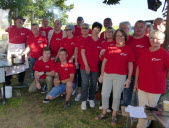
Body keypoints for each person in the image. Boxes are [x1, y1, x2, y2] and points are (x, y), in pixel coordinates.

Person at [96, 29, 135, 125]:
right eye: (117, 35)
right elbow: (104, 62)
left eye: (122, 35)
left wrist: (129, 79)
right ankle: (104, 112)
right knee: (104, 94)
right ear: (115, 37)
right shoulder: (110, 47)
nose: (120, 37)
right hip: (108, 75)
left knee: (116, 96)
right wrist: (101, 75)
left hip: (121, 76)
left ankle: (114, 115)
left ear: (125, 37)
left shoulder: (128, 49)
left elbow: (130, 65)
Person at [134, 30, 169, 128]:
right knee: (142, 109)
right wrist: (136, 82)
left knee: (149, 111)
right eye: (152, 38)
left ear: (162, 41)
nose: (154, 40)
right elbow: (138, 67)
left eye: (158, 39)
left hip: (155, 88)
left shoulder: (164, 54)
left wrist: (162, 78)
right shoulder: (144, 51)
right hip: (142, 86)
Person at [124, 20, 151, 106]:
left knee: (139, 94)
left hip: (142, 72)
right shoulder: (128, 39)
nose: (138, 29)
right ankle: (126, 110)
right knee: (127, 92)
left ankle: (136, 112)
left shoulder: (148, 41)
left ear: (145, 29)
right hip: (128, 71)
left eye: (141, 27)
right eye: (136, 26)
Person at [80, 22, 102, 110]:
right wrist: (86, 65)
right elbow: (82, 52)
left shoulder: (101, 41)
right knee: (85, 83)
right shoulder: (87, 39)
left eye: (98, 30)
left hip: (95, 67)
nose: (96, 31)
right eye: (95, 29)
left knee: (93, 84)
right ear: (91, 30)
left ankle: (91, 98)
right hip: (85, 66)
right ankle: (84, 101)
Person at [5, 16, 31, 86]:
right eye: (18, 20)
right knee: (10, 65)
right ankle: (7, 82)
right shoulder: (10, 28)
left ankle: (21, 81)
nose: (20, 21)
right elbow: (3, 26)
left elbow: (34, 34)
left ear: (23, 22)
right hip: (12, 49)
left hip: (21, 49)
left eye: (21, 20)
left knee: (22, 65)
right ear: (15, 21)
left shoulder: (26, 30)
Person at [98, 26, 115, 112]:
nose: (109, 33)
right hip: (102, 64)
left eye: (111, 32)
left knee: (110, 86)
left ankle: (109, 105)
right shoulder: (103, 43)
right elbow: (100, 56)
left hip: (111, 65)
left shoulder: (115, 43)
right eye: (107, 32)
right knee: (101, 84)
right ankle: (102, 103)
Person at [74, 23, 90, 101]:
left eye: (86, 28)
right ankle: (80, 93)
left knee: (88, 80)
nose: (84, 29)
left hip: (89, 62)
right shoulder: (78, 38)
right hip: (80, 62)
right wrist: (76, 61)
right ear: (81, 29)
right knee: (80, 79)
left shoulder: (91, 38)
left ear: (89, 29)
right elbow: (76, 51)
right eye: (83, 28)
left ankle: (87, 94)